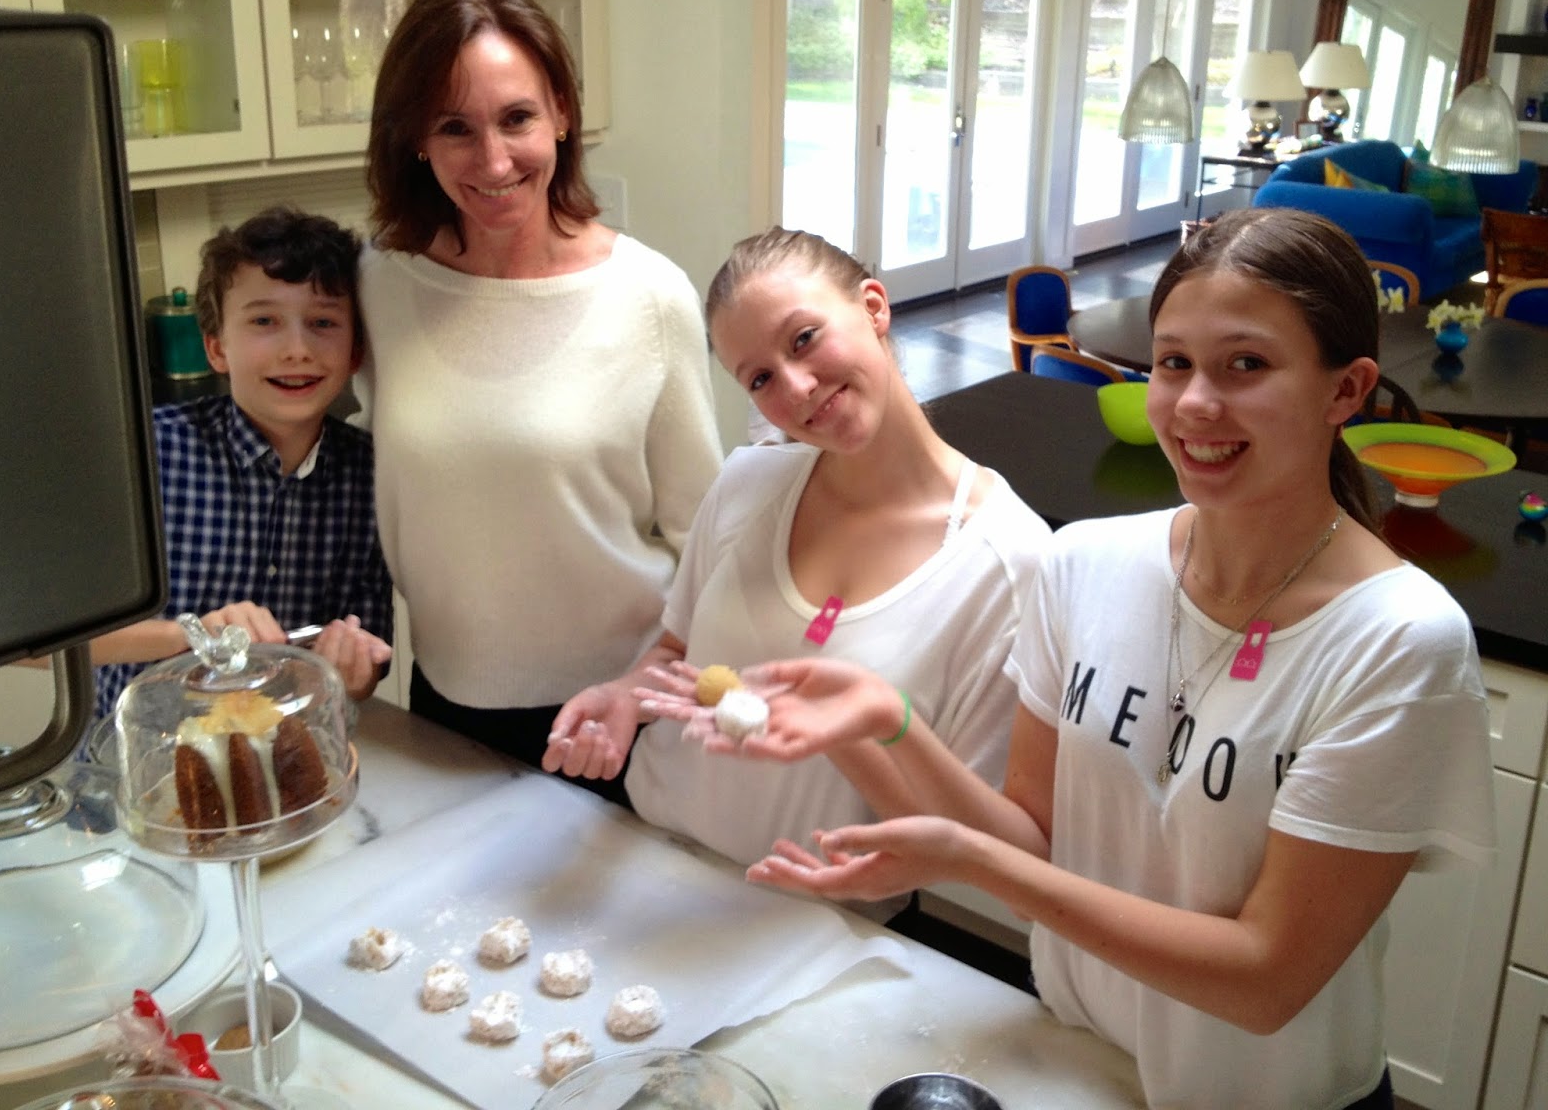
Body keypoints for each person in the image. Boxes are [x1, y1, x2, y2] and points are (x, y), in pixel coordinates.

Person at [641, 209, 1497, 1110]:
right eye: (1174, 363)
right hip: (1078, 1064)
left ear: (1345, 389)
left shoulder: (1399, 642)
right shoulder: (1084, 566)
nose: (1195, 403)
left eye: (1246, 364)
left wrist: (975, 863)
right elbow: (1031, 839)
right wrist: (886, 722)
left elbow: (1265, 980)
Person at [543, 227, 1053, 887]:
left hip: (815, 915)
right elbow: (679, 656)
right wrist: (623, 696)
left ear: (873, 307)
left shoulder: (1009, 564)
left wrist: (850, 734)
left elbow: (976, 851)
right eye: (759, 378)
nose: (797, 387)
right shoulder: (746, 485)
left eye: (804, 339)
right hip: (641, 861)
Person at [359, 0, 721, 794]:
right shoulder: (380, 283)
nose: (493, 160)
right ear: (415, 138)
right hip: (443, 701)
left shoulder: (649, 296)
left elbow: (707, 539)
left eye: (517, 117)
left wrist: (644, 692)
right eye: (455, 127)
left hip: (618, 717)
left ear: (561, 110)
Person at [89, 206, 394, 717]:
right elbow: (40, 646)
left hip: (284, 748)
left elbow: (364, 670)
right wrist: (194, 635)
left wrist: (356, 668)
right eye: (264, 321)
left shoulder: (373, 476)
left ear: (355, 351)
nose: (297, 350)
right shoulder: (146, 457)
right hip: (141, 753)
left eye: (322, 322)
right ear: (216, 348)